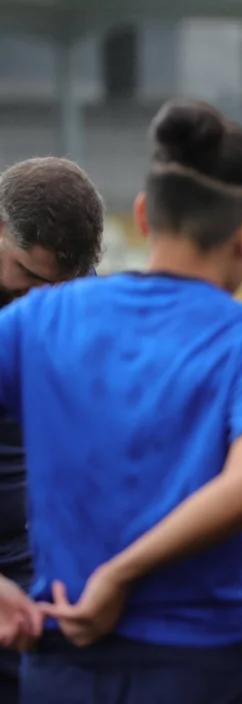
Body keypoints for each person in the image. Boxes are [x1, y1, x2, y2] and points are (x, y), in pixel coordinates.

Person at [0, 100, 242, 704]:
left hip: (64, 665)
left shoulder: (39, 320)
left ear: (143, 216)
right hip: (209, 668)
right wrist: (121, 576)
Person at [0, 156, 107, 703]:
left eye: (62, 287)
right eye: (33, 277)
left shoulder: (78, 301)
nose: (45, 301)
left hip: (40, 586)